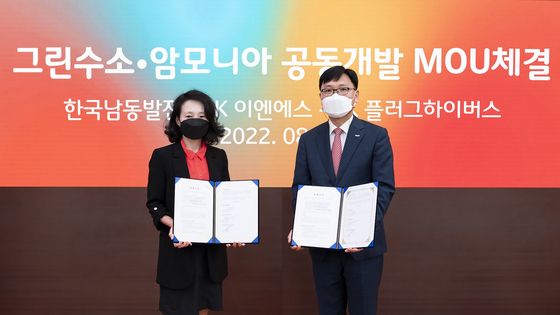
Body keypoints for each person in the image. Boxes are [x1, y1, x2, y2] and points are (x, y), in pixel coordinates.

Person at [287, 66, 396, 315]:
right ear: (321, 97)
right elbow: (301, 188)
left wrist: (364, 230)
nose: (335, 95)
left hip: (363, 249)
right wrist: (300, 226)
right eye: (328, 90)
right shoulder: (308, 139)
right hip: (323, 249)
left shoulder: (376, 136)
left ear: (355, 95)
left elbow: (384, 188)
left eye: (343, 89)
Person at [146, 90, 243, 315]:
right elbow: (155, 203)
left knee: (203, 308)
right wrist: (175, 225)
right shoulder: (162, 156)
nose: (195, 120)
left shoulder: (219, 156)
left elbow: (226, 201)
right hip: (179, 250)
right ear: (178, 120)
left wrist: (234, 229)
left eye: (201, 115)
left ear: (209, 120)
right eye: (188, 116)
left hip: (211, 253)